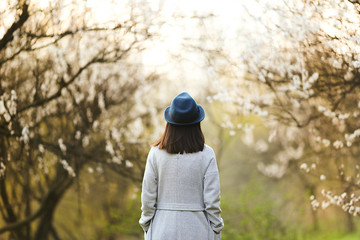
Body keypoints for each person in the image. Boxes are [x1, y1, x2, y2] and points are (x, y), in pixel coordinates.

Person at [139, 92, 224, 240]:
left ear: (170, 123)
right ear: (197, 123)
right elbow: (212, 201)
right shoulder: (207, 154)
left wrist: (147, 225)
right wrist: (216, 229)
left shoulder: (155, 154)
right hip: (198, 230)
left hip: (162, 228)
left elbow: (148, 198)